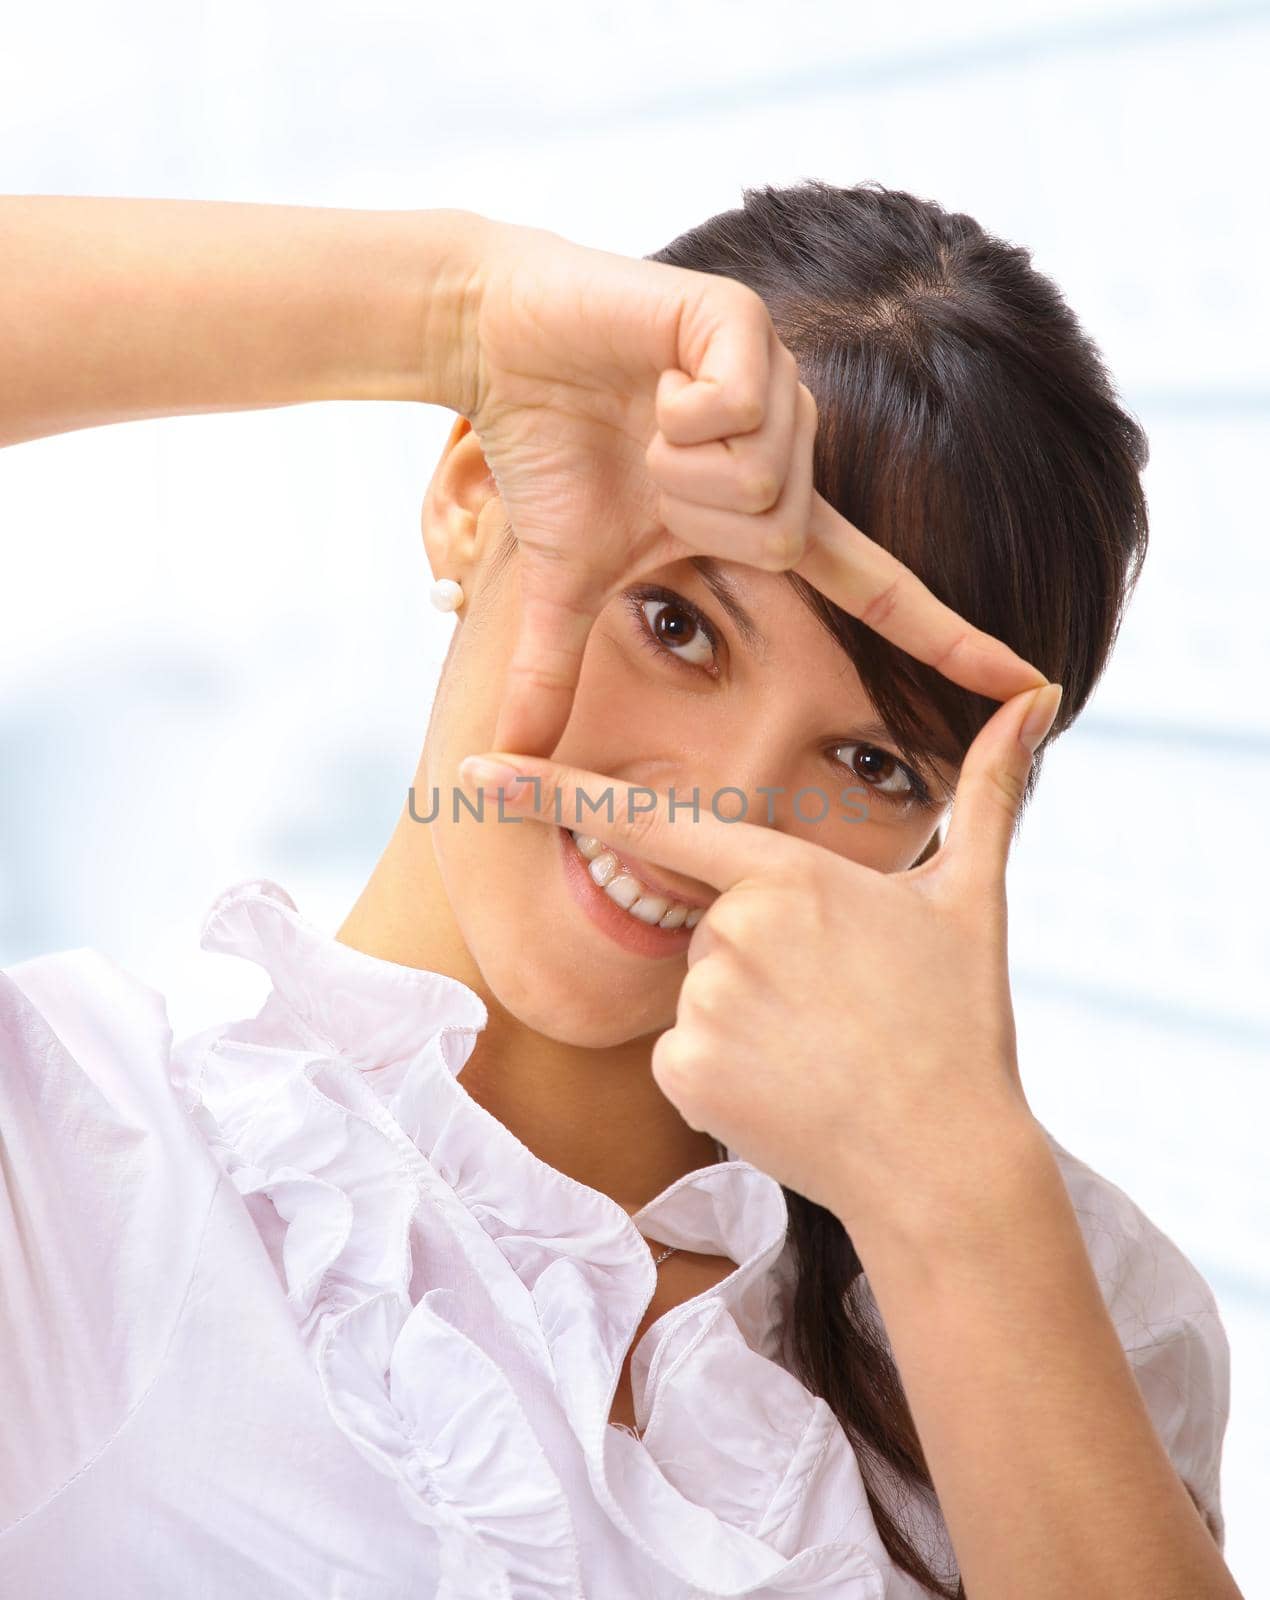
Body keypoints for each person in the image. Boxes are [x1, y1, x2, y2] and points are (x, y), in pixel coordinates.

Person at [0, 183, 1240, 1599]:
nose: (715, 810)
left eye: (871, 760)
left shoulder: (1072, 1296)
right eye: (679, 624)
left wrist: (959, 1205)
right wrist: (445, 310)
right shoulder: (80, 1166)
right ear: (475, 499)